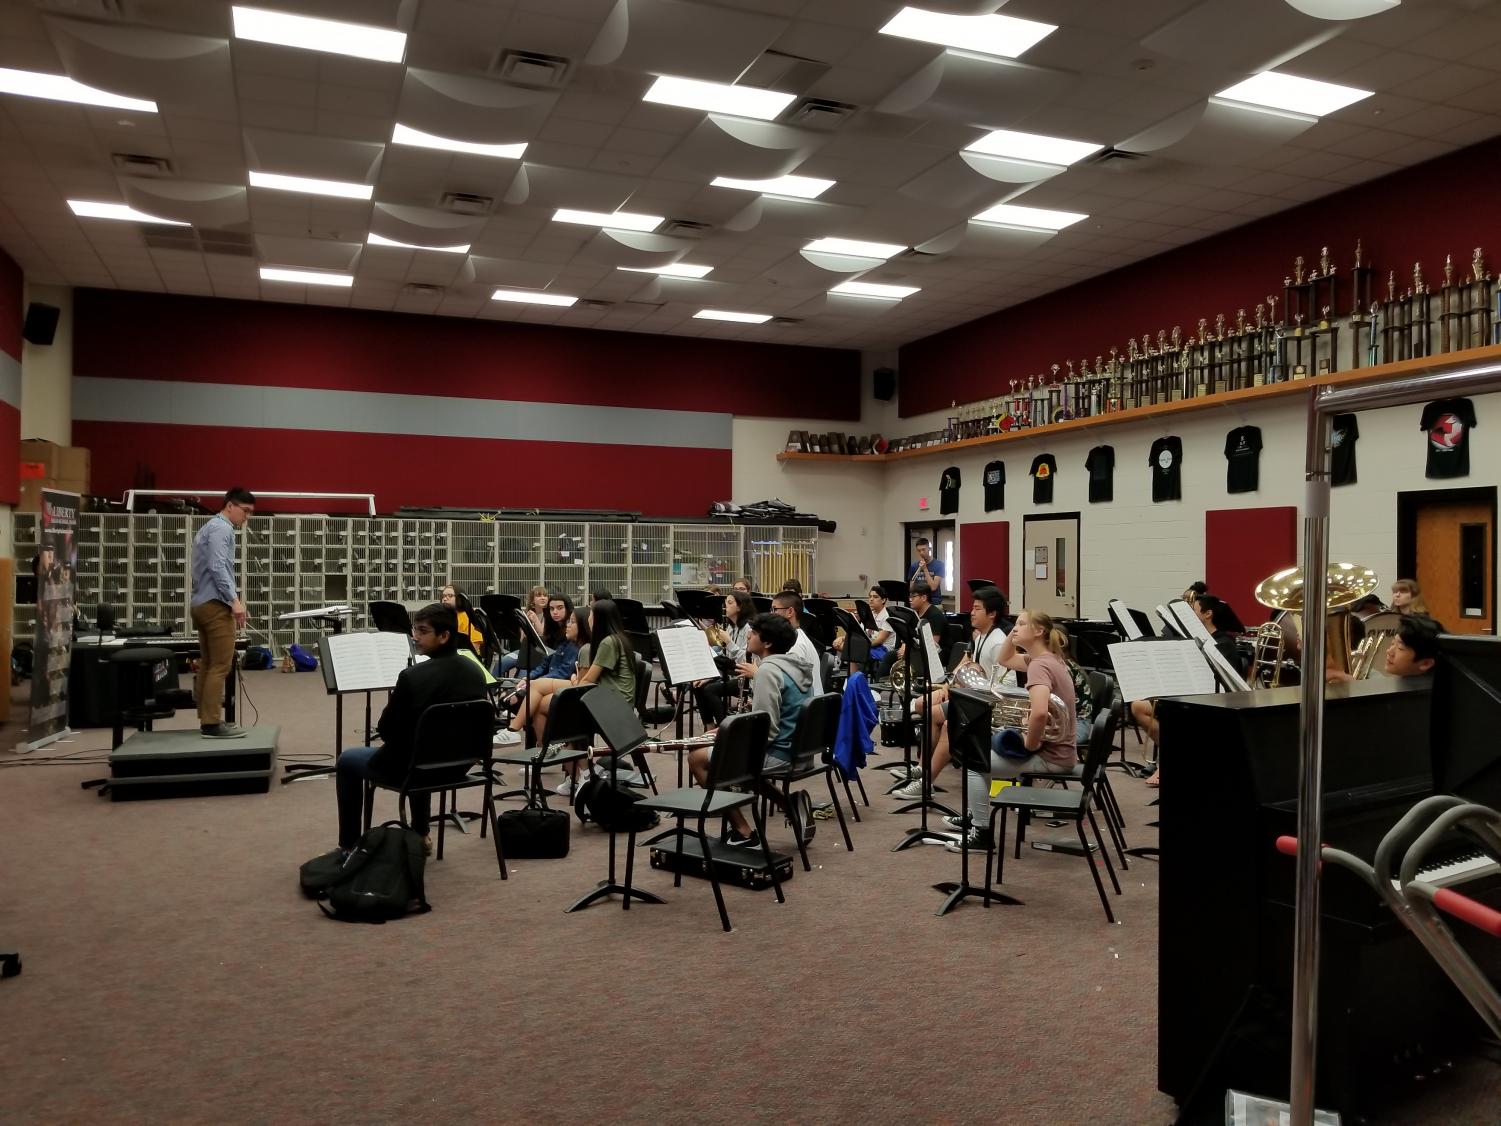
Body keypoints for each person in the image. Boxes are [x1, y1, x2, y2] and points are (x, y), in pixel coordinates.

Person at [332, 603, 488, 857]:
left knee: (348, 760)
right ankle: (420, 833)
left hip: (418, 770)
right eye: (415, 630)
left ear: (444, 636)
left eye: (423, 631)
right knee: (424, 749)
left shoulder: (412, 676)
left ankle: (348, 845)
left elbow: (386, 730)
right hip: (460, 766)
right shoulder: (475, 672)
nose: (415, 636)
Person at [945, 608, 1079, 852]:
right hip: (1060, 751)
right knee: (983, 747)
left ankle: (982, 833)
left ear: (1038, 631)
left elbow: (1039, 713)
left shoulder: (1040, 666)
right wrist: (1013, 635)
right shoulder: (1047, 659)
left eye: (1021, 624)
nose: (1014, 628)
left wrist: (1028, 743)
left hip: (1053, 757)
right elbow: (1005, 660)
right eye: (1014, 624)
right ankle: (975, 816)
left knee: (974, 763)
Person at [687, 611, 815, 848]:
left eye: (754, 633)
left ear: (767, 643)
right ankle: (788, 804)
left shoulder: (767, 671)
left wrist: (729, 739)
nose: (748, 636)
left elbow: (766, 731)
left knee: (697, 759)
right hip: (799, 752)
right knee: (736, 764)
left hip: (781, 753)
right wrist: (729, 731)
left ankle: (744, 833)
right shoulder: (794, 665)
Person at [891, 585, 1011, 799]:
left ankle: (926, 782)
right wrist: (951, 684)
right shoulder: (982, 635)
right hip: (973, 696)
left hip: (988, 704)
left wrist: (963, 690)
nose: (971, 613)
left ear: (992, 614)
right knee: (924, 705)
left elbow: (1005, 685)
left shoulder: (998, 643)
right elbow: (969, 662)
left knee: (946, 722)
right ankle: (923, 768)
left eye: (977, 609)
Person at [190, 487, 254, 739]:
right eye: (245, 510)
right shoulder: (222, 528)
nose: (246, 517)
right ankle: (212, 723)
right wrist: (234, 601)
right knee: (221, 665)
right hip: (215, 604)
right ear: (230, 506)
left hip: (200, 603)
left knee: (208, 663)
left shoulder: (209, 526)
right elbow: (218, 567)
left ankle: (207, 718)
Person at [495, 605, 588, 743]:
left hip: (569, 690)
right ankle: (539, 755)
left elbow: (576, 678)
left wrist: (535, 682)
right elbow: (546, 662)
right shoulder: (566, 642)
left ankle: (513, 730)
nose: (567, 625)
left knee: (532, 693)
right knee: (523, 700)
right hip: (554, 685)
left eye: (572, 622)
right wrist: (530, 677)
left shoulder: (582, 648)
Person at [694, 589, 753, 728]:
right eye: (725, 603)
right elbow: (724, 658)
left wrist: (730, 643)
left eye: (730, 603)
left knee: (711, 690)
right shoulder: (731, 628)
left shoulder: (748, 629)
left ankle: (724, 728)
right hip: (731, 673)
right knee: (699, 686)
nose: (725, 606)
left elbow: (746, 661)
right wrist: (708, 675)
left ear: (740, 607)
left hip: (746, 677)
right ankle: (709, 726)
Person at [770, 590, 823, 696]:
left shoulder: (795, 645)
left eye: (774, 609)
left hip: (805, 708)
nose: (771, 614)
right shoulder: (795, 637)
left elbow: (789, 686)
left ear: (790, 612)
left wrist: (757, 673)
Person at [440, 583, 484, 651]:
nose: (445, 599)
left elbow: (475, 645)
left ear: (460, 598)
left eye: (450, 596)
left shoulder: (470, 616)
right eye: (443, 596)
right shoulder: (441, 616)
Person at [906, 538, 945, 603]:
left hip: (934, 601)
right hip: (919, 602)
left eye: (924, 550)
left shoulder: (939, 565)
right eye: (919, 550)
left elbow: (933, 587)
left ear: (929, 549)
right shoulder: (914, 566)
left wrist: (925, 569)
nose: (921, 553)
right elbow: (911, 589)